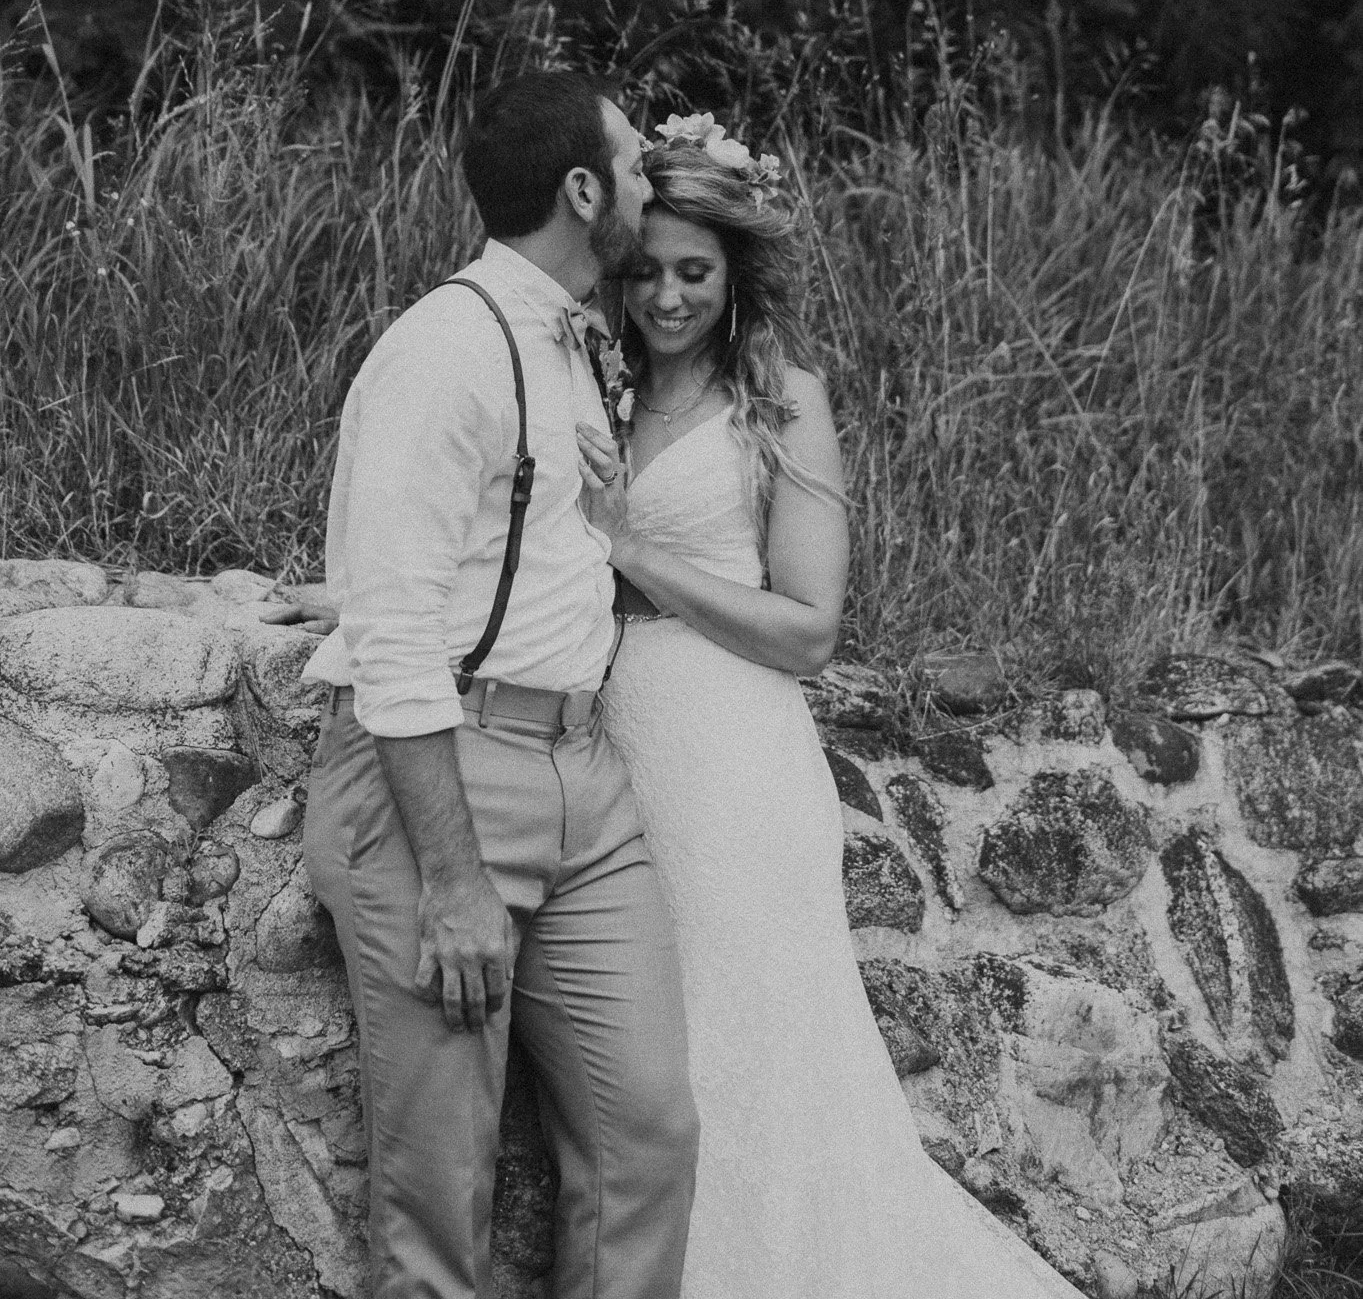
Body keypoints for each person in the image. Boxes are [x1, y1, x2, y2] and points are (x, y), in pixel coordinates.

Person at [574, 112, 1083, 1299]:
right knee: (654, 1071)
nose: (664, 296)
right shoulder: (589, 378)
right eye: (644, 268)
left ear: (735, 271)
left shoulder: (782, 397)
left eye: (693, 271)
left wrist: (633, 549)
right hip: (610, 746)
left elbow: (809, 628)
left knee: (750, 1050)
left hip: (732, 757)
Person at [300, 71, 700, 1299]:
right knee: (441, 1192)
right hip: (444, 782)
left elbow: (521, 563)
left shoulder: (579, 338)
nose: (651, 181)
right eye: (634, 164)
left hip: (585, 778)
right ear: (582, 191)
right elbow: (398, 640)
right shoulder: (443, 349)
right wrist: (455, 876)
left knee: (648, 1136)